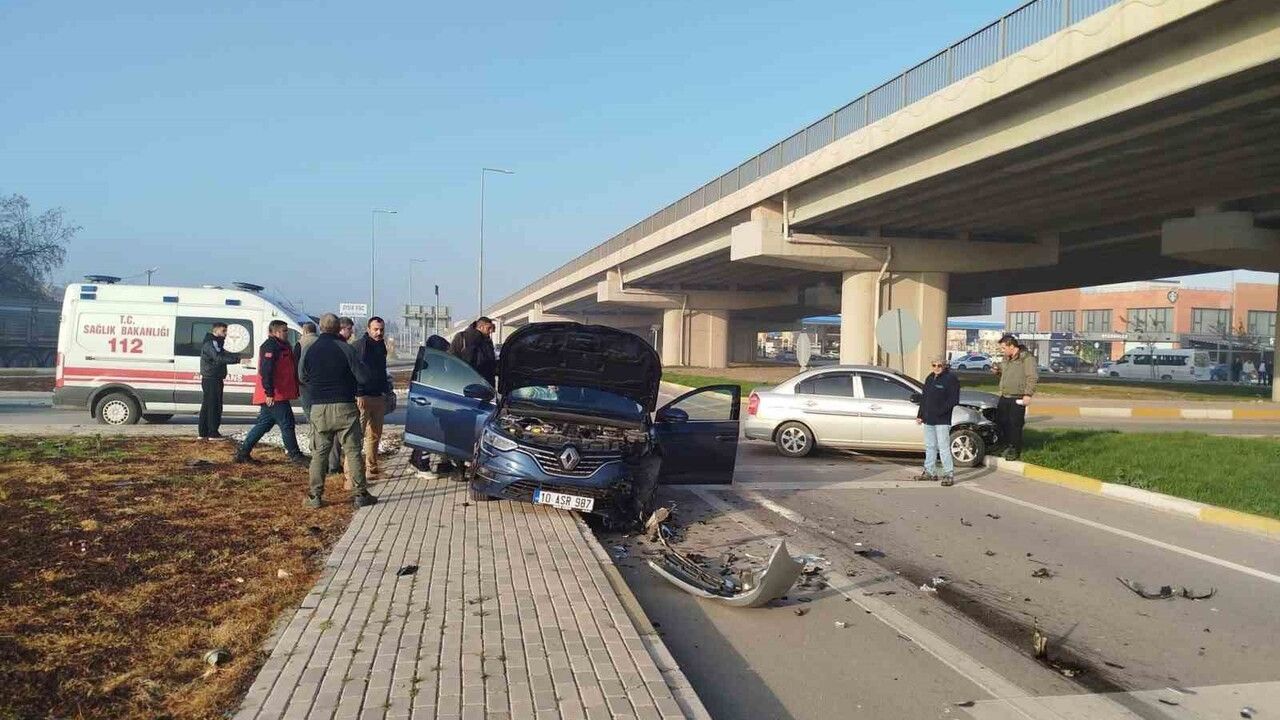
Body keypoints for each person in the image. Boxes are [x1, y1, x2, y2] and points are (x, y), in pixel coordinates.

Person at [299, 313, 376, 509]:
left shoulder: (310, 348)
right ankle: (360, 494)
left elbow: (302, 375)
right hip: (345, 406)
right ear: (337, 328)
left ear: (321, 327)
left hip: (319, 407)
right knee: (353, 451)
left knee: (319, 453)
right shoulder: (346, 349)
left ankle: (315, 497)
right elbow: (363, 377)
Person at [235, 320, 306, 465]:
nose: (287, 333)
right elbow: (266, 371)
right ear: (275, 332)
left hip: (278, 393)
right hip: (274, 394)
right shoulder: (270, 346)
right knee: (287, 423)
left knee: (265, 423)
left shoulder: (282, 346)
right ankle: (295, 455)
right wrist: (269, 393)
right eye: (284, 331)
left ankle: (243, 452)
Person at [352, 316, 390, 478]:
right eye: (375, 329)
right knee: (356, 437)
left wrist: (385, 390)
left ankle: (372, 467)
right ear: (368, 329)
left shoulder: (381, 346)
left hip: (378, 396)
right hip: (363, 397)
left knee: (374, 435)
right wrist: (359, 392)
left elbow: (381, 370)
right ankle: (352, 474)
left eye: (381, 329)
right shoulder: (361, 346)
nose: (379, 332)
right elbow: (356, 371)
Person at [916, 355, 960, 486]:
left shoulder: (951, 379)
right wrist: (921, 415)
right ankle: (929, 471)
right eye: (934, 365)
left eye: (939, 365)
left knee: (943, 447)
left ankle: (949, 474)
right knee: (930, 446)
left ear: (944, 366)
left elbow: (953, 400)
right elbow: (924, 398)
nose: (936, 368)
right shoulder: (930, 378)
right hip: (928, 418)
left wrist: (940, 411)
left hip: (942, 419)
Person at [992, 333, 1038, 461]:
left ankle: (1014, 449)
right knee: (1002, 422)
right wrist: (998, 371)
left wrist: (1028, 394)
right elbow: (1006, 374)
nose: (1002, 351)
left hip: (1017, 397)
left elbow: (1032, 377)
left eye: (1003, 348)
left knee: (1015, 424)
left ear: (1012, 346)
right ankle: (1004, 446)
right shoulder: (1006, 359)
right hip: (1004, 395)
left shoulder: (1026, 358)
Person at [198, 322, 240, 440]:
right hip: (212, 378)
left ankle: (203, 433)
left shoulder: (214, 342)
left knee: (207, 405)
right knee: (214, 406)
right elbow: (218, 358)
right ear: (216, 331)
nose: (225, 334)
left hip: (212, 377)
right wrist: (238, 360)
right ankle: (212, 433)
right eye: (223, 331)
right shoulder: (212, 343)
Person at [451, 316, 497, 386]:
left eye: (492, 328)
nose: (490, 331)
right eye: (488, 328)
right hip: (465, 382)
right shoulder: (462, 337)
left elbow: (490, 362)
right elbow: (452, 358)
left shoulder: (487, 341)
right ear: (481, 327)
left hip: (486, 384)